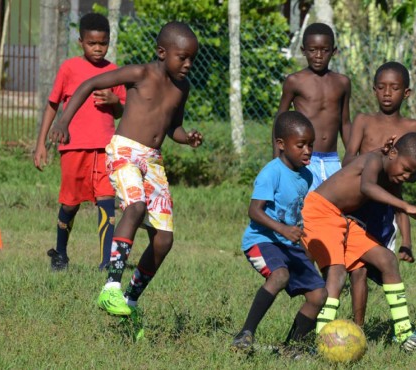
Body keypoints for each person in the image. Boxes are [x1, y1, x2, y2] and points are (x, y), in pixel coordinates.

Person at [49, 21, 203, 320]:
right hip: (125, 151)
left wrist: (188, 138)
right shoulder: (139, 74)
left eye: (192, 58)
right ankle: (111, 286)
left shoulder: (182, 87)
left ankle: (130, 300)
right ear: (162, 52)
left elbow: (174, 127)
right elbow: (89, 84)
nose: (188, 64)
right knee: (135, 207)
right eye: (182, 57)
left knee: (164, 238)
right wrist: (63, 120)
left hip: (153, 161)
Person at [302, 133, 416, 351]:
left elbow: (397, 184)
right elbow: (367, 187)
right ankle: (322, 341)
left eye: (412, 173)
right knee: (337, 272)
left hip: (341, 219)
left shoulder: (390, 168)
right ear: (393, 153)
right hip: (320, 211)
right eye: (405, 169)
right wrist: (407, 206)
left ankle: (405, 334)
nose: (406, 176)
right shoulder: (374, 160)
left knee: (387, 259)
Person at [33, 13, 126, 271]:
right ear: (80, 42)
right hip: (73, 148)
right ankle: (60, 253)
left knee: (107, 202)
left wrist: (114, 102)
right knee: (70, 203)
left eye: (103, 43)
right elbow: (52, 106)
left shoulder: (114, 72)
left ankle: (106, 262)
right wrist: (41, 143)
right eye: (92, 43)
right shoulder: (69, 68)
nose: (98, 48)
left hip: (106, 150)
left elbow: (122, 111)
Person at [232, 111, 327, 356]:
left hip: (288, 244)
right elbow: (254, 211)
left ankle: (293, 347)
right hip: (261, 240)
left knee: (319, 294)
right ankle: (245, 333)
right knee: (280, 275)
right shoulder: (271, 172)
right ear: (281, 144)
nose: (308, 150)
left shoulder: (307, 175)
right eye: (301, 145)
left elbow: (295, 211)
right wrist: (283, 229)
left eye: (310, 144)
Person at [342, 62, 416, 326]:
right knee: (358, 270)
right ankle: (358, 328)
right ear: (374, 90)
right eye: (382, 87)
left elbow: (411, 177)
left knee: (387, 265)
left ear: (406, 93)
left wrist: (407, 242)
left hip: (387, 210)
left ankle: (401, 327)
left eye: (395, 88)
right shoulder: (364, 120)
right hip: (358, 207)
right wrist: (378, 155)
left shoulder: (412, 126)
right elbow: (348, 161)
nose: (388, 93)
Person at [275, 22, 351, 190]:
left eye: (324, 50)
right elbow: (280, 122)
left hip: (333, 160)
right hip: (303, 158)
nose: (318, 55)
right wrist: (277, 163)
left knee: (334, 209)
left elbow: (345, 123)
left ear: (334, 51)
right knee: (303, 209)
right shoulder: (295, 81)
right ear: (303, 51)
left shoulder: (342, 83)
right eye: (312, 50)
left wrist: (352, 157)